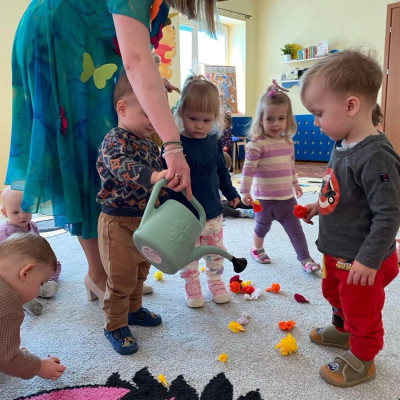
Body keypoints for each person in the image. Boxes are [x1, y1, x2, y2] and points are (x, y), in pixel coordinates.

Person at [6, 0, 219, 304]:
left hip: (96, 45)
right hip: (62, 36)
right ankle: (99, 274)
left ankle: (118, 269)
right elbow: (136, 60)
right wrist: (173, 147)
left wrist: (143, 86)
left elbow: (134, 54)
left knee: (114, 144)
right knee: (89, 154)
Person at [300, 49, 400, 387]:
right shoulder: (342, 142)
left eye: (318, 113)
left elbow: (389, 214)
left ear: (351, 106)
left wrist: (369, 260)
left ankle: (363, 359)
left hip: (362, 260)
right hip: (337, 251)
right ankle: (343, 332)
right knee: (334, 293)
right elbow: (338, 186)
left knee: (362, 310)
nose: (316, 122)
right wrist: (319, 205)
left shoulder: (376, 156)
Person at [96, 72, 168, 355]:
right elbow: (120, 167)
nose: (154, 120)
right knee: (121, 277)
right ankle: (114, 324)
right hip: (117, 221)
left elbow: (159, 183)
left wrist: (167, 189)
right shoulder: (114, 140)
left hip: (145, 221)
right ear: (122, 108)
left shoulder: (151, 145)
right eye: (148, 112)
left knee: (140, 270)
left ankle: (134, 310)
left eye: (158, 113)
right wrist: (153, 176)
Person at [169, 75, 240, 308]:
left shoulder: (213, 141)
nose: (199, 125)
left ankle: (215, 281)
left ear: (215, 118)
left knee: (215, 251)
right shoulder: (175, 145)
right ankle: (191, 285)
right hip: (185, 215)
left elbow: (221, 171)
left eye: (207, 120)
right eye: (193, 119)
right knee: (188, 254)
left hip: (213, 212)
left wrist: (231, 193)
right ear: (181, 114)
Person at [239, 81, 320, 272]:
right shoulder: (256, 144)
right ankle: (257, 249)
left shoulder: (287, 142)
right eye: (270, 119)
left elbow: (290, 166)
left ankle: (305, 258)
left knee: (295, 230)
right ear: (261, 119)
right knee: (262, 227)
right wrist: (244, 191)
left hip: (286, 199)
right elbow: (248, 169)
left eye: (281, 118)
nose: (275, 123)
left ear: (287, 119)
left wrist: (295, 184)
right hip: (264, 199)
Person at [0, 232, 66, 380]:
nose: (38, 290)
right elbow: (8, 359)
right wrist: (40, 367)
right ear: (25, 273)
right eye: (41, 283)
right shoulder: (8, 305)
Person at [0, 188, 62, 316]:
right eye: (16, 212)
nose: (22, 215)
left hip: (31, 264)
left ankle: (45, 284)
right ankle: (22, 297)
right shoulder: (6, 233)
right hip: (14, 270)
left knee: (55, 264)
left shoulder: (33, 225)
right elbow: (5, 262)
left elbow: (38, 247)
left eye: (26, 209)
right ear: (5, 213)